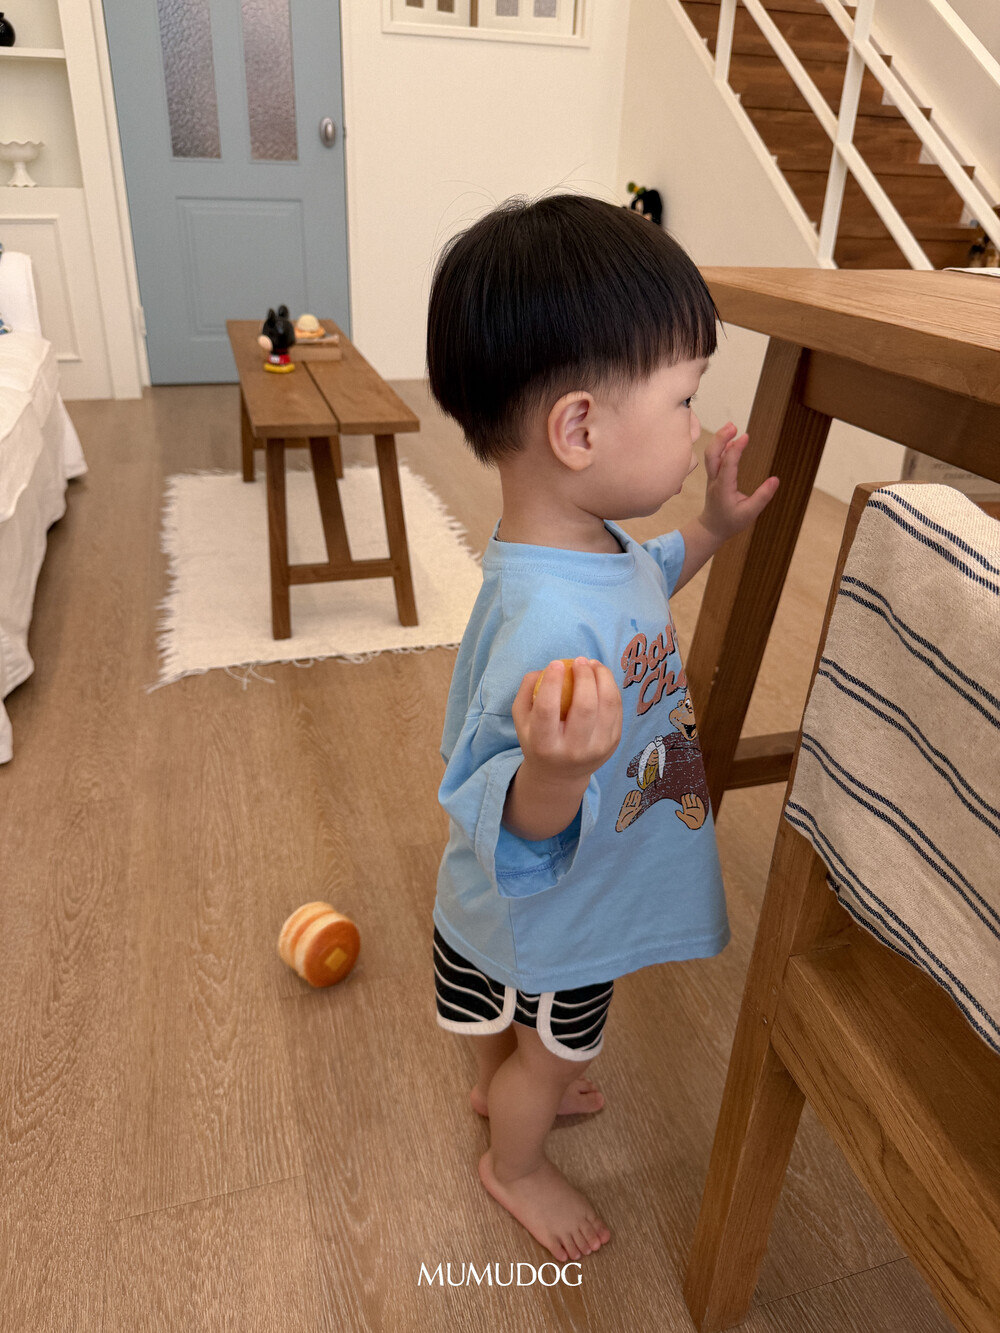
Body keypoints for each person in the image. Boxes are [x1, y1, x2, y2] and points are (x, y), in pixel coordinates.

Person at [425, 193, 779, 1264]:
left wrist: (710, 526)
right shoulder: (548, 627)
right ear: (578, 429)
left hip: (519, 919)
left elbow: (649, 574)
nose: (698, 427)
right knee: (552, 1054)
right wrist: (552, 769)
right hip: (558, 918)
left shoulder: (586, 548)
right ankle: (516, 1160)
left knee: (516, 1039)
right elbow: (509, 814)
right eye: (683, 399)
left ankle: (503, 1081)